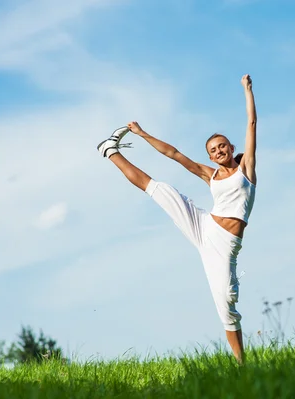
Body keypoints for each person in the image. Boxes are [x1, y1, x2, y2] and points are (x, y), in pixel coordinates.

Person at [96, 74, 257, 363]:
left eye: (222, 146)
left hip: (223, 246)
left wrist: (247, 91)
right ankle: (110, 151)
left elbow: (251, 124)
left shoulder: (247, 168)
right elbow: (174, 154)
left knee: (227, 306)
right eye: (212, 150)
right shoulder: (212, 174)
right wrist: (143, 134)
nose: (218, 151)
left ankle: (241, 365)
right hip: (204, 225)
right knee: (161, 190)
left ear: (231, 148)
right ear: (210, 156)